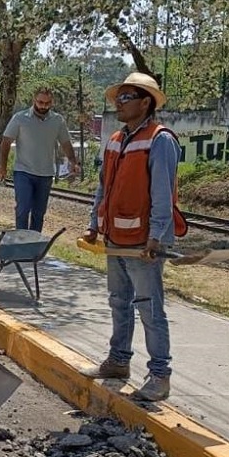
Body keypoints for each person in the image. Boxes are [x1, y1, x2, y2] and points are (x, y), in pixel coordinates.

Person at [81, 72, 184, 402]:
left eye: (126, 98)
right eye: (118, 98)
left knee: (149, 308)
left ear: (145, 103)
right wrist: (94, 225)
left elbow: (163, 193)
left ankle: (160, 375)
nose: (119, 103)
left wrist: (155, 237)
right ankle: (118, 362)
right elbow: (103, 186)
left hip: (143, 241)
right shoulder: (115, 140)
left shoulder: (160, 140)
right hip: (116, 238)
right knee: (118, 301)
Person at [0, 87, 79, 231]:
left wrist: (73, 161)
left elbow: (66, 143)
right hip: (23, 171)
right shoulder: (20, 118)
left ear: (52, 102)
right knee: (23, 209)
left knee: (39, 214)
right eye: (40, 102)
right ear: (34, 100)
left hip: (45, 174)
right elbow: (6, 142)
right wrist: (2, 166)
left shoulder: (57, 120)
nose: (43, 106)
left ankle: (34, 241)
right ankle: (21, 239)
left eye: (47, 103)